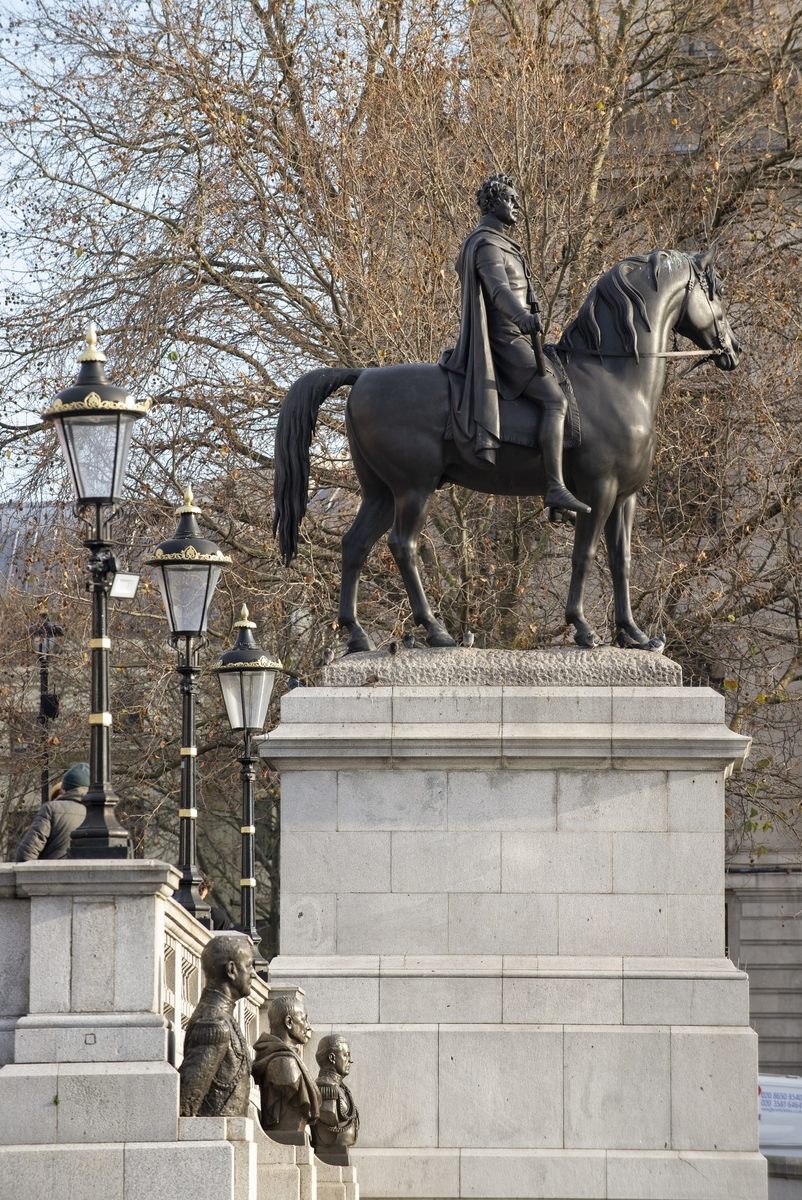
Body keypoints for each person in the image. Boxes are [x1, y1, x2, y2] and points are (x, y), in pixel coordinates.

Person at [440, 173, 591, 514]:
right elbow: (499, 291)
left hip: (519, 336)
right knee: (554, 401)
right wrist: (522, 318)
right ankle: (554, 489)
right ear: (493, 203)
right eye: (510, 199)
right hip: (506, 339)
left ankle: (558, 484)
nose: (517, 207)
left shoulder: (502, 243)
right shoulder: (487, 244)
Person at [178, 934, 257, 1117]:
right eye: (248, 966)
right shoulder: (214, 1025)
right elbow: (186, 1102)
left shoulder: (223, 1019)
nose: (253, 973)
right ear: (231, 970)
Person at [251, 995, 320, 1144]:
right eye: (304, 1019)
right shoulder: (284, 1063)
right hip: (285, 1134)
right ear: (289, 1022)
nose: (308, 1026)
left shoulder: (288, 1058)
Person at [14, 762, 90, 861]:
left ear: (64, 790)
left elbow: (26, 854)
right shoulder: (103, 814)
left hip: (53, 874)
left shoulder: (52, 809)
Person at [311, 1034, 359, 1166]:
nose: (351, 1060)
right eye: (346, 1055)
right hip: (329, 1152)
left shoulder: (341, 1089)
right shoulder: (324, 1090)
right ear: (332, 1057)